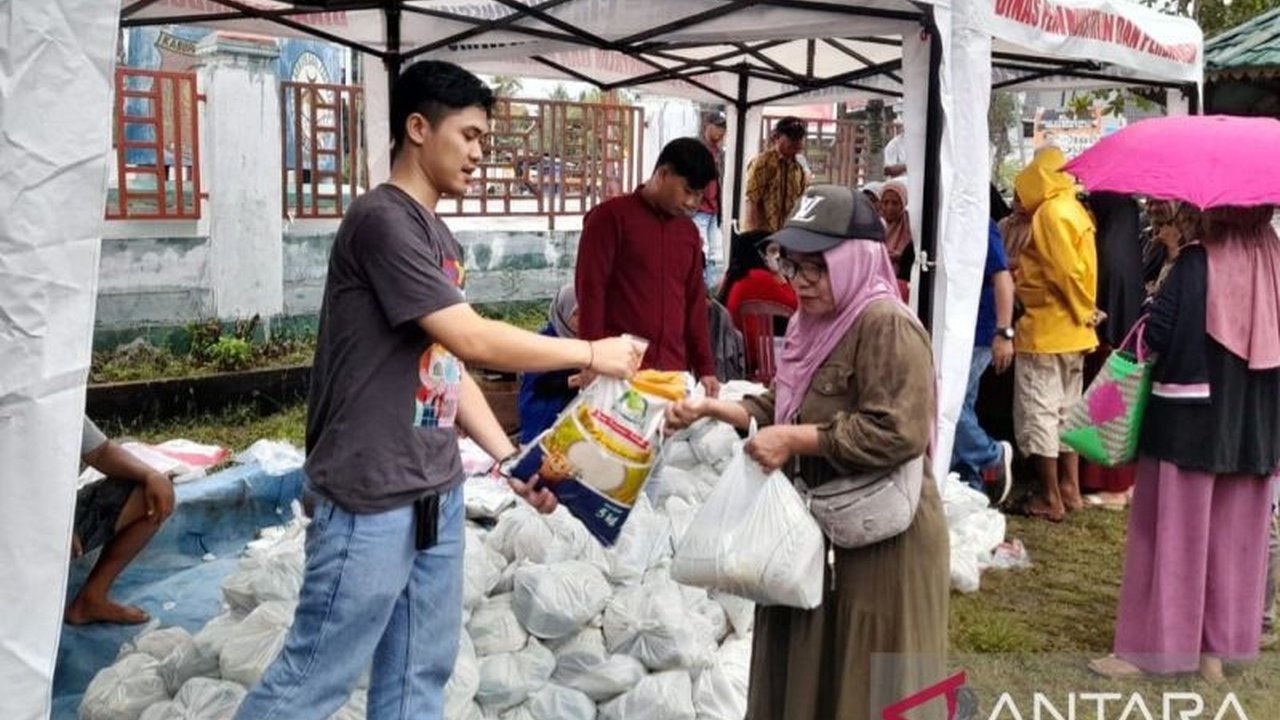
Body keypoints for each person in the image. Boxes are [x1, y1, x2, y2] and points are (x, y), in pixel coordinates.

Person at [234, 61, 641, 720]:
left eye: (485, 140)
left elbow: (446, 365)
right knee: (312, 682)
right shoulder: (380, 220)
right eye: (470, 135)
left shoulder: (438, 236)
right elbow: (473, 338)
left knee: (418, 678)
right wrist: (594, 351)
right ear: (419, 127)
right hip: (369, 495)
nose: (480, 154)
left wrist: (511, 457)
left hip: (435, 490)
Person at [665, 186, 949, 720]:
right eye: (791, 264)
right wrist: (716, 409)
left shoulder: (885, 324)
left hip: (880, 543)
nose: (799, 281)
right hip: (817, 528)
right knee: (804, 665)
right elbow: (789, 402)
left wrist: (797, 441)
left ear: (855, 260)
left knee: (863, 676)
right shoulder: (812, 324)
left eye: (816, 267)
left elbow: (898, 431)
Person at [1091, 205, 1280, 683]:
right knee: (1233, 543)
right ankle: (1213, 654)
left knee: (1173, 538)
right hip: (1255, 429)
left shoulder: (1198, 262)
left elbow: (1156, 333)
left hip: (1187, 423)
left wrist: (1155, 299)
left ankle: (1152, 650)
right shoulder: (1275, 262)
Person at [575, 137, 721, 398]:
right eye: (688, 191)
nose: (692, 203)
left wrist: (705, 368)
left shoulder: (688, 232)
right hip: (619, 373)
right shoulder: (610, 218)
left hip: (673, 374)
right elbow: (591, 292)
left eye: (699, 195)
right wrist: (592, 359)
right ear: (663, 174)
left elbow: (694, 303)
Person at [1010, 147, 1101, 523]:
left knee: (1041, 413)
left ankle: (1051, 497)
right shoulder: (1075, 208)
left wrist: (1083, 309)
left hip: (1047, 330)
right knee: (1067, 413)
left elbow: (1064, 272)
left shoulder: (1051, 212)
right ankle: (1070, 489)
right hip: (1074, 334)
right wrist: (1085, 312)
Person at [64, 418, 176, 625]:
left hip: (55, 514)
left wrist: (151, 475)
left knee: (149, 494)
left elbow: (101, 452)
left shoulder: (58, 406)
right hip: (18, 524)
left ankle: (91, 600)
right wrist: (49, 522)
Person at [1079, 192, 1145, 510]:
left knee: (1104, 414)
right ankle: (1122, 482)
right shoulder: (1130, 248)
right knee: (1117, 416)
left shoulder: (1107, 250)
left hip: (1107, 344)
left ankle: (1111, 486)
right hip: (1127, 342)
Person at [950, 221, 1015, 505]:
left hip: (979, 329)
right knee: (962, 405)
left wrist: (1004, 332)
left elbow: (1002, 275)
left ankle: (991, 455)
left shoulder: (976, 220)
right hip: (956, 326)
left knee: (950, 405)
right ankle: (970, 483)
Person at [517, 285, 583, 443]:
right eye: (576, 314)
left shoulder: (587, 339)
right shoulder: (544, 342)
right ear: (562, 312)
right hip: (543, 416)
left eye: (585, 312)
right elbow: (539, 385)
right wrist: (577, 380)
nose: (582, 319)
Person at [717, 229, 797, 330]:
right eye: (773, 251)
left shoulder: (733, 273)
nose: (778, 256)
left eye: (779, 251)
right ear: (759, 253)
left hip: (736, 335)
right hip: (752, 338)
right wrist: (781, 277)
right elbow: (795, 305)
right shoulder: (759, 277)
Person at [742, 116, 807, 233]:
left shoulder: (798, 168)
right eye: (792, 138)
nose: (797, 142)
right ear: (777, 137)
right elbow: (752, 201)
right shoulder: (764, 162)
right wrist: (752, 235)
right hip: (764, 234)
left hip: (787, 235)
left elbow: (800, 203)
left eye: (800, 138)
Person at [693, 111, 728, 288]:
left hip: (715, 209)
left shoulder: (720, 153)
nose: (721, 131)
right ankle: (699, 287)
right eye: (718, 126)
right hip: (698, 209)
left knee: (716, 253)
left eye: (723, 128)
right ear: (707, 126)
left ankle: (711, 289)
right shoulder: (696, 148)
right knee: (702, 250)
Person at [879, 180, 913, 280]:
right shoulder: (875, 226)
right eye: (885, 202)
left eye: (895, 203)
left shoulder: (911, 226)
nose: (889, 207)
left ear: (903, 204)